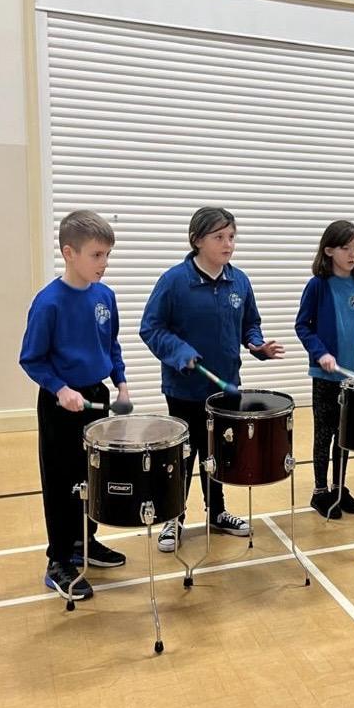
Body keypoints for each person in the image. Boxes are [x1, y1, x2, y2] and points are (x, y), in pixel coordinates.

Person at [139, 206, 284, 552]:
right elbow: (151, 328)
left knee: (217, 453)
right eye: (219, 237)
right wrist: (179, 351)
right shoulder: (174, 281)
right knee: (183, 456)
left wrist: (256, 344)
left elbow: (250, 323)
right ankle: (173, 518)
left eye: (231, 236)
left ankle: (217, 512)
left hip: (225, 388)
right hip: (184, 389)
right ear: (197, 240)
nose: (228, 244)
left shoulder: (240, 281)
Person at [20, 210, 130, 600]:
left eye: (107, 255)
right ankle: (59, 560)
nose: (104, 263)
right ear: (69, 253)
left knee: (91, 475)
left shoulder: (105, 296)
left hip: (96, 397)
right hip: (61, 404)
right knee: (62, 481)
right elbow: (31, 359)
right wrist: (59, 388)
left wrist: (121, 384)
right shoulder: (48, 303)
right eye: (97, 255)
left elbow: (111, 345)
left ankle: (85, 541)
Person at [295, 220, 354, 518]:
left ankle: (339, 486)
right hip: (326, 376)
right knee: (324, 433)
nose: (352, 254)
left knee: (346, 433)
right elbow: (303, 326)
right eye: (345, 248)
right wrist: (320, 353)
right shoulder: (317, 285)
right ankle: (319, 491)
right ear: (328, 251)